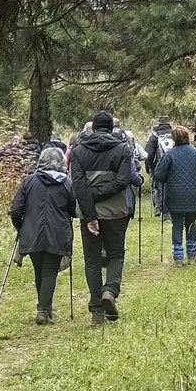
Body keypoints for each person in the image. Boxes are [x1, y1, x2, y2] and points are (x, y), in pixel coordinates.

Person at [67, 108, 142, 322]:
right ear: (111, 127)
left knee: (91, 260)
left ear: (93, 127)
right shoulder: (122, 149)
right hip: (116, 212)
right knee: (116, 255)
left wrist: (90, 213)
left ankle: (96, 310)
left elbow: (78, 186)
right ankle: (109, 291)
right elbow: (122, 182)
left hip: (88, 214)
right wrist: (101, 194)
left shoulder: (79, 151)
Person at [7, 138, 77, 323]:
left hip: (32, 232)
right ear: (61, 162)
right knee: (49, 272)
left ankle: (44, 308)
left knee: (40, 271)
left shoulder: (29, 181)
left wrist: (20, 226)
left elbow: (16, 209)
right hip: (58, 233)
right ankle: (43, 310)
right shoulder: (66, 183)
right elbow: (74, 209)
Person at [152, 122, 196, 262]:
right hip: (194, 196)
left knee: (177, 225)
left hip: (174, 196)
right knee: (191, 223)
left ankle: (178, 256)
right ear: (188, 137)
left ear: (174, 138)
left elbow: (159, 175)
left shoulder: (169, 155)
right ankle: (192, 254)